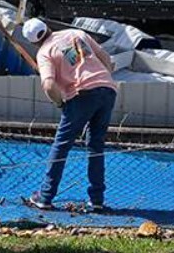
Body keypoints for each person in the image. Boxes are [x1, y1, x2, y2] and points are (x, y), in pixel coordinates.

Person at [22, 17, 118, 212]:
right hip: (107, 90)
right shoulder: (77, 34)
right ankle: (97, 199)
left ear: (33, 42)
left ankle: (45, 196)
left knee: (61, 146)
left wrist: (60, 103)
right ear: (47, 27)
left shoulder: (44, 52)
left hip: (81, 95)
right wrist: (102, 81)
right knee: (96, 146)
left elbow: (48, 85)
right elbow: (106, 59)